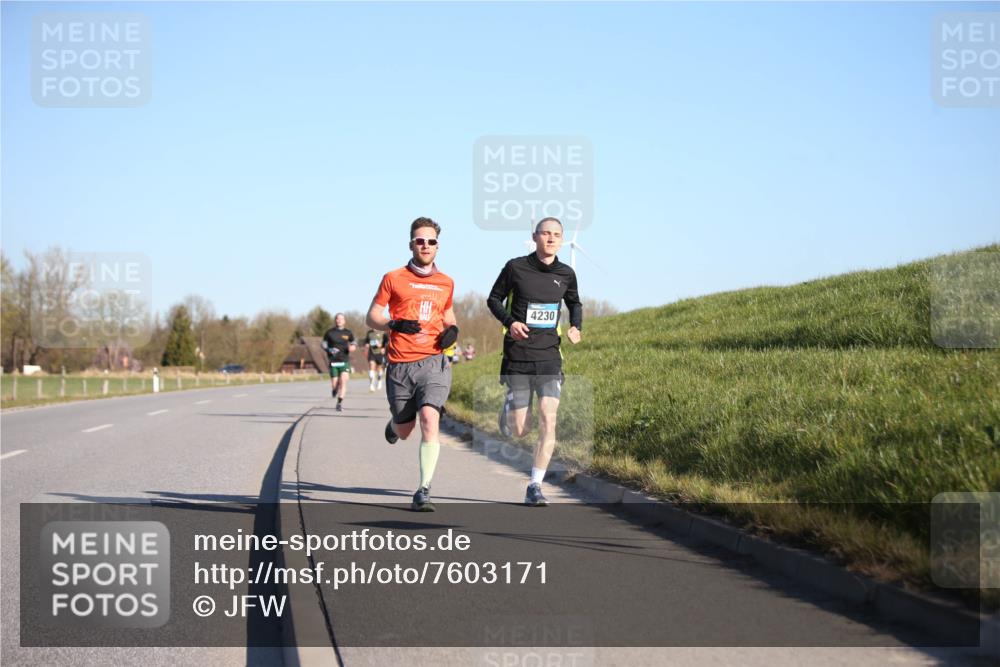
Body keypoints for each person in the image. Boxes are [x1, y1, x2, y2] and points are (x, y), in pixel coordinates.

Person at [487, 217, 582, 507]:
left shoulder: (566, 273)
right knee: (520, 429)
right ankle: (509, 406)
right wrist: (510, 322)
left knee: (548, 419)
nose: (551, 239)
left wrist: (576, 326)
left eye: (556, 235)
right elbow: (493, 299)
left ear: (562, 240)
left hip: (550, 357)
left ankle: (535, 485)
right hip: (518, 355)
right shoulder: (516, 267)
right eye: (546, 233)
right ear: (535, 236)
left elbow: (574, 302)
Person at [366, 217, 458, 512]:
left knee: (430, 419)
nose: (426, 246)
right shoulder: (393, 277)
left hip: (434, 362)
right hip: (400, 364)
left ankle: (424, 489)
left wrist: (452, 330)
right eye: (420, 240)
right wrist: (393, 322)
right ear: (411, 244)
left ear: (438, 246)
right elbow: (372, 316)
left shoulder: (446, 282)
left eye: (431, 241)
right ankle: (394, 425)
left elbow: (448, 314)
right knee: (405, 430)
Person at [322, 313, 356, 412]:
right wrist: (328, 349)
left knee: (343, 382)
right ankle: (334, 390)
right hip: (333, 361)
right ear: (335, 320)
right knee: (335, 384)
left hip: (344, 360)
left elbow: (354, 342)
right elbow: (323, 343)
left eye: (341, 319)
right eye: (337, 318)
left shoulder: (348, 332)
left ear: (344, 321)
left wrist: (353, 346)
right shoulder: (329, 332)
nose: (339, 320)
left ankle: (339, 403)